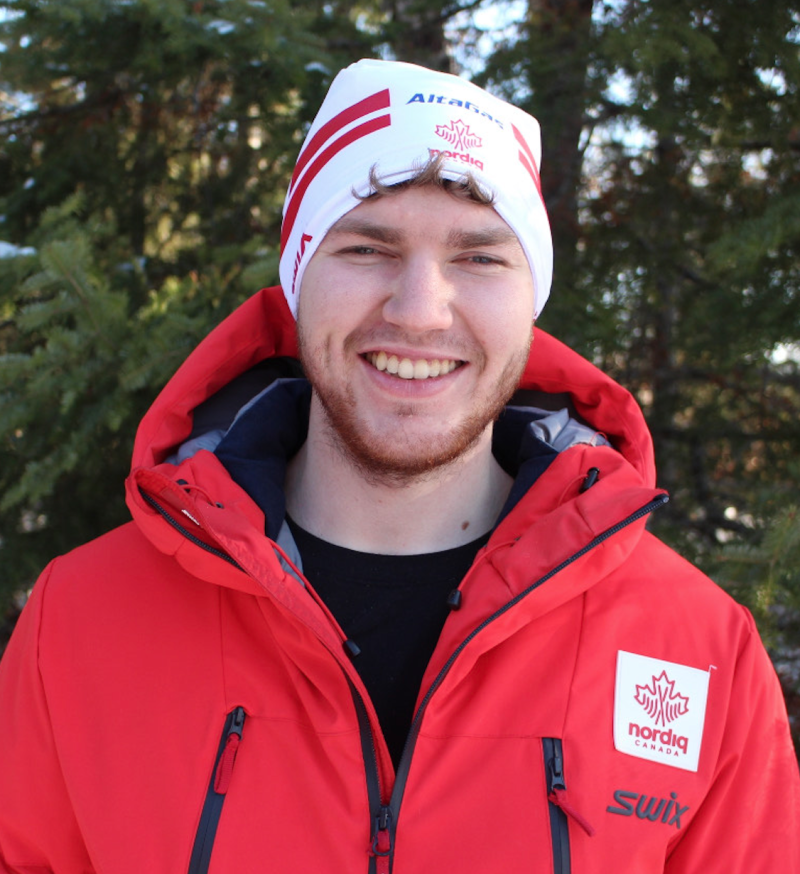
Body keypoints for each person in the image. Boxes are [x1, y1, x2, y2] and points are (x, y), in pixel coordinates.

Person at [0, 58, 797, 874]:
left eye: (481, 258)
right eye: (368, 247)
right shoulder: (78, 625)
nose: (419, 309)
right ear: (299, 277)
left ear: (532, 302)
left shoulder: (697, 652)